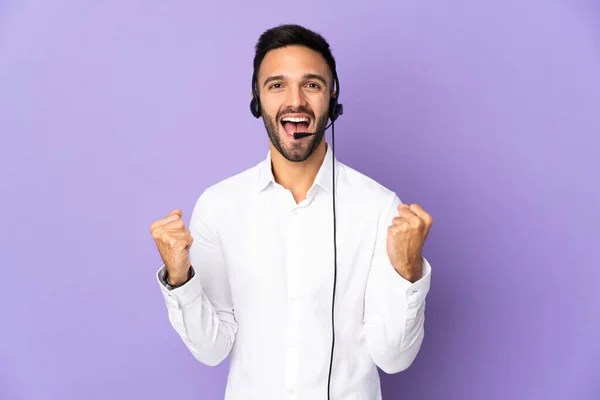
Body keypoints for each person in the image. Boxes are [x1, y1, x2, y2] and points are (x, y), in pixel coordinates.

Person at [149, 24, 433, 400]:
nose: (295, 101)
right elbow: (210, 349)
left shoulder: (380, 208)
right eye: (277, 85)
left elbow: (394, 358)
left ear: (332, 98)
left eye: (312, 85)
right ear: (257, 99)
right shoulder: (219, 206)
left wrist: (408, 271)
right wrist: (179, 276)